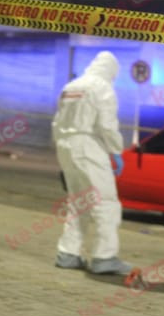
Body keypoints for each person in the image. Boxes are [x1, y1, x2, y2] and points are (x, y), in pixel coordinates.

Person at [51, 51, 132, 275]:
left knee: (78, 202)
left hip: (66, 146)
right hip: (88, 146)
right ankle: (104, 257)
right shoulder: (102, 88)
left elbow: (56, 123)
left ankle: (68, 253)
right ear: (111, 71)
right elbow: (107, 125)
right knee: (106, 203)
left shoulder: (70, 87)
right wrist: (116, 150)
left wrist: (62, 152)